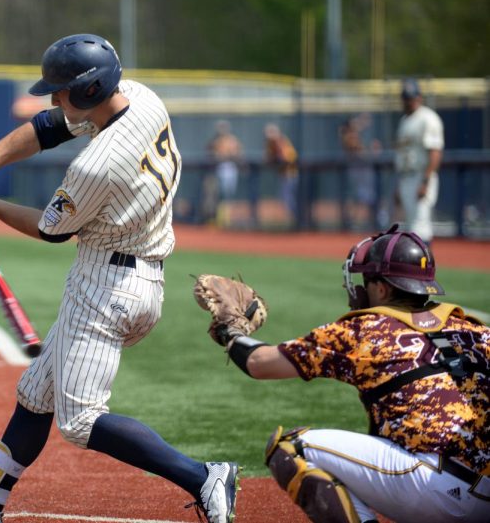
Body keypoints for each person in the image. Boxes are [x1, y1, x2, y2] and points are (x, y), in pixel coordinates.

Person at [0, 33, 239, 523]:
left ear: (89, 91)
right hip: (141, 276)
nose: (54, 99)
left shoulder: (98, 166)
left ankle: (203, 476)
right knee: (36, 394)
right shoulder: (141, 98)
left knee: (80, 422)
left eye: (61, 91)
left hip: (106, 289)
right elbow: (49, 127)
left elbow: (50, 230)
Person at [208, 224, 489, 523]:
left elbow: (260, 363)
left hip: (434, 492)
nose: (360, 287)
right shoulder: (476, 331)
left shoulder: (365, 330)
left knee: (292, 448)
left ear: (382, 288)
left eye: (367, 280)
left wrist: (231, 332)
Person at [395, 78, 444, 243]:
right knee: (410, 227)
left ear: (419, 98)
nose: (409, 101)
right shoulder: (405, 121)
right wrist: (399, 184)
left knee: (420, 227)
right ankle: (414, 267)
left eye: (412, 97)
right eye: (406, 98)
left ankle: (425, 267)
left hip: (421, 175)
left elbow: (435, 152)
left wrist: (425, 181)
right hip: (406, 177)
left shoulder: (428, 118)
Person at [338, 115, 380, 229]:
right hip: (358, 172)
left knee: (362, 198)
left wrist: (363, 121)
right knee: (359, 198)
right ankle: (354, 223)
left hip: (360, 171)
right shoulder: (348, 137)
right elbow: (361, 154)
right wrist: (373, 151)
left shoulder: (350, 134)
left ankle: (358, 222)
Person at [204, 120, 243, 226]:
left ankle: (227, 219)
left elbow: (238, 153)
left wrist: (230, 154)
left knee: (228, 194)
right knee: (219, 194)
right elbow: (209, 152)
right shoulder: (215, 141)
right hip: (220, 168)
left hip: (230, 167)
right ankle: (219, 219)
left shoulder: (232, 140)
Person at [263, 123, 299, 225]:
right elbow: (268, 158)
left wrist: (278, 158)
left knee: (288, 197)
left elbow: (290, 157)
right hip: (283, 175)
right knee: (285, 197)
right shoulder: (270, 144)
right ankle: (295, 219)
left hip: (290, 174)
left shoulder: (281, 142)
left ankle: (297, 219)